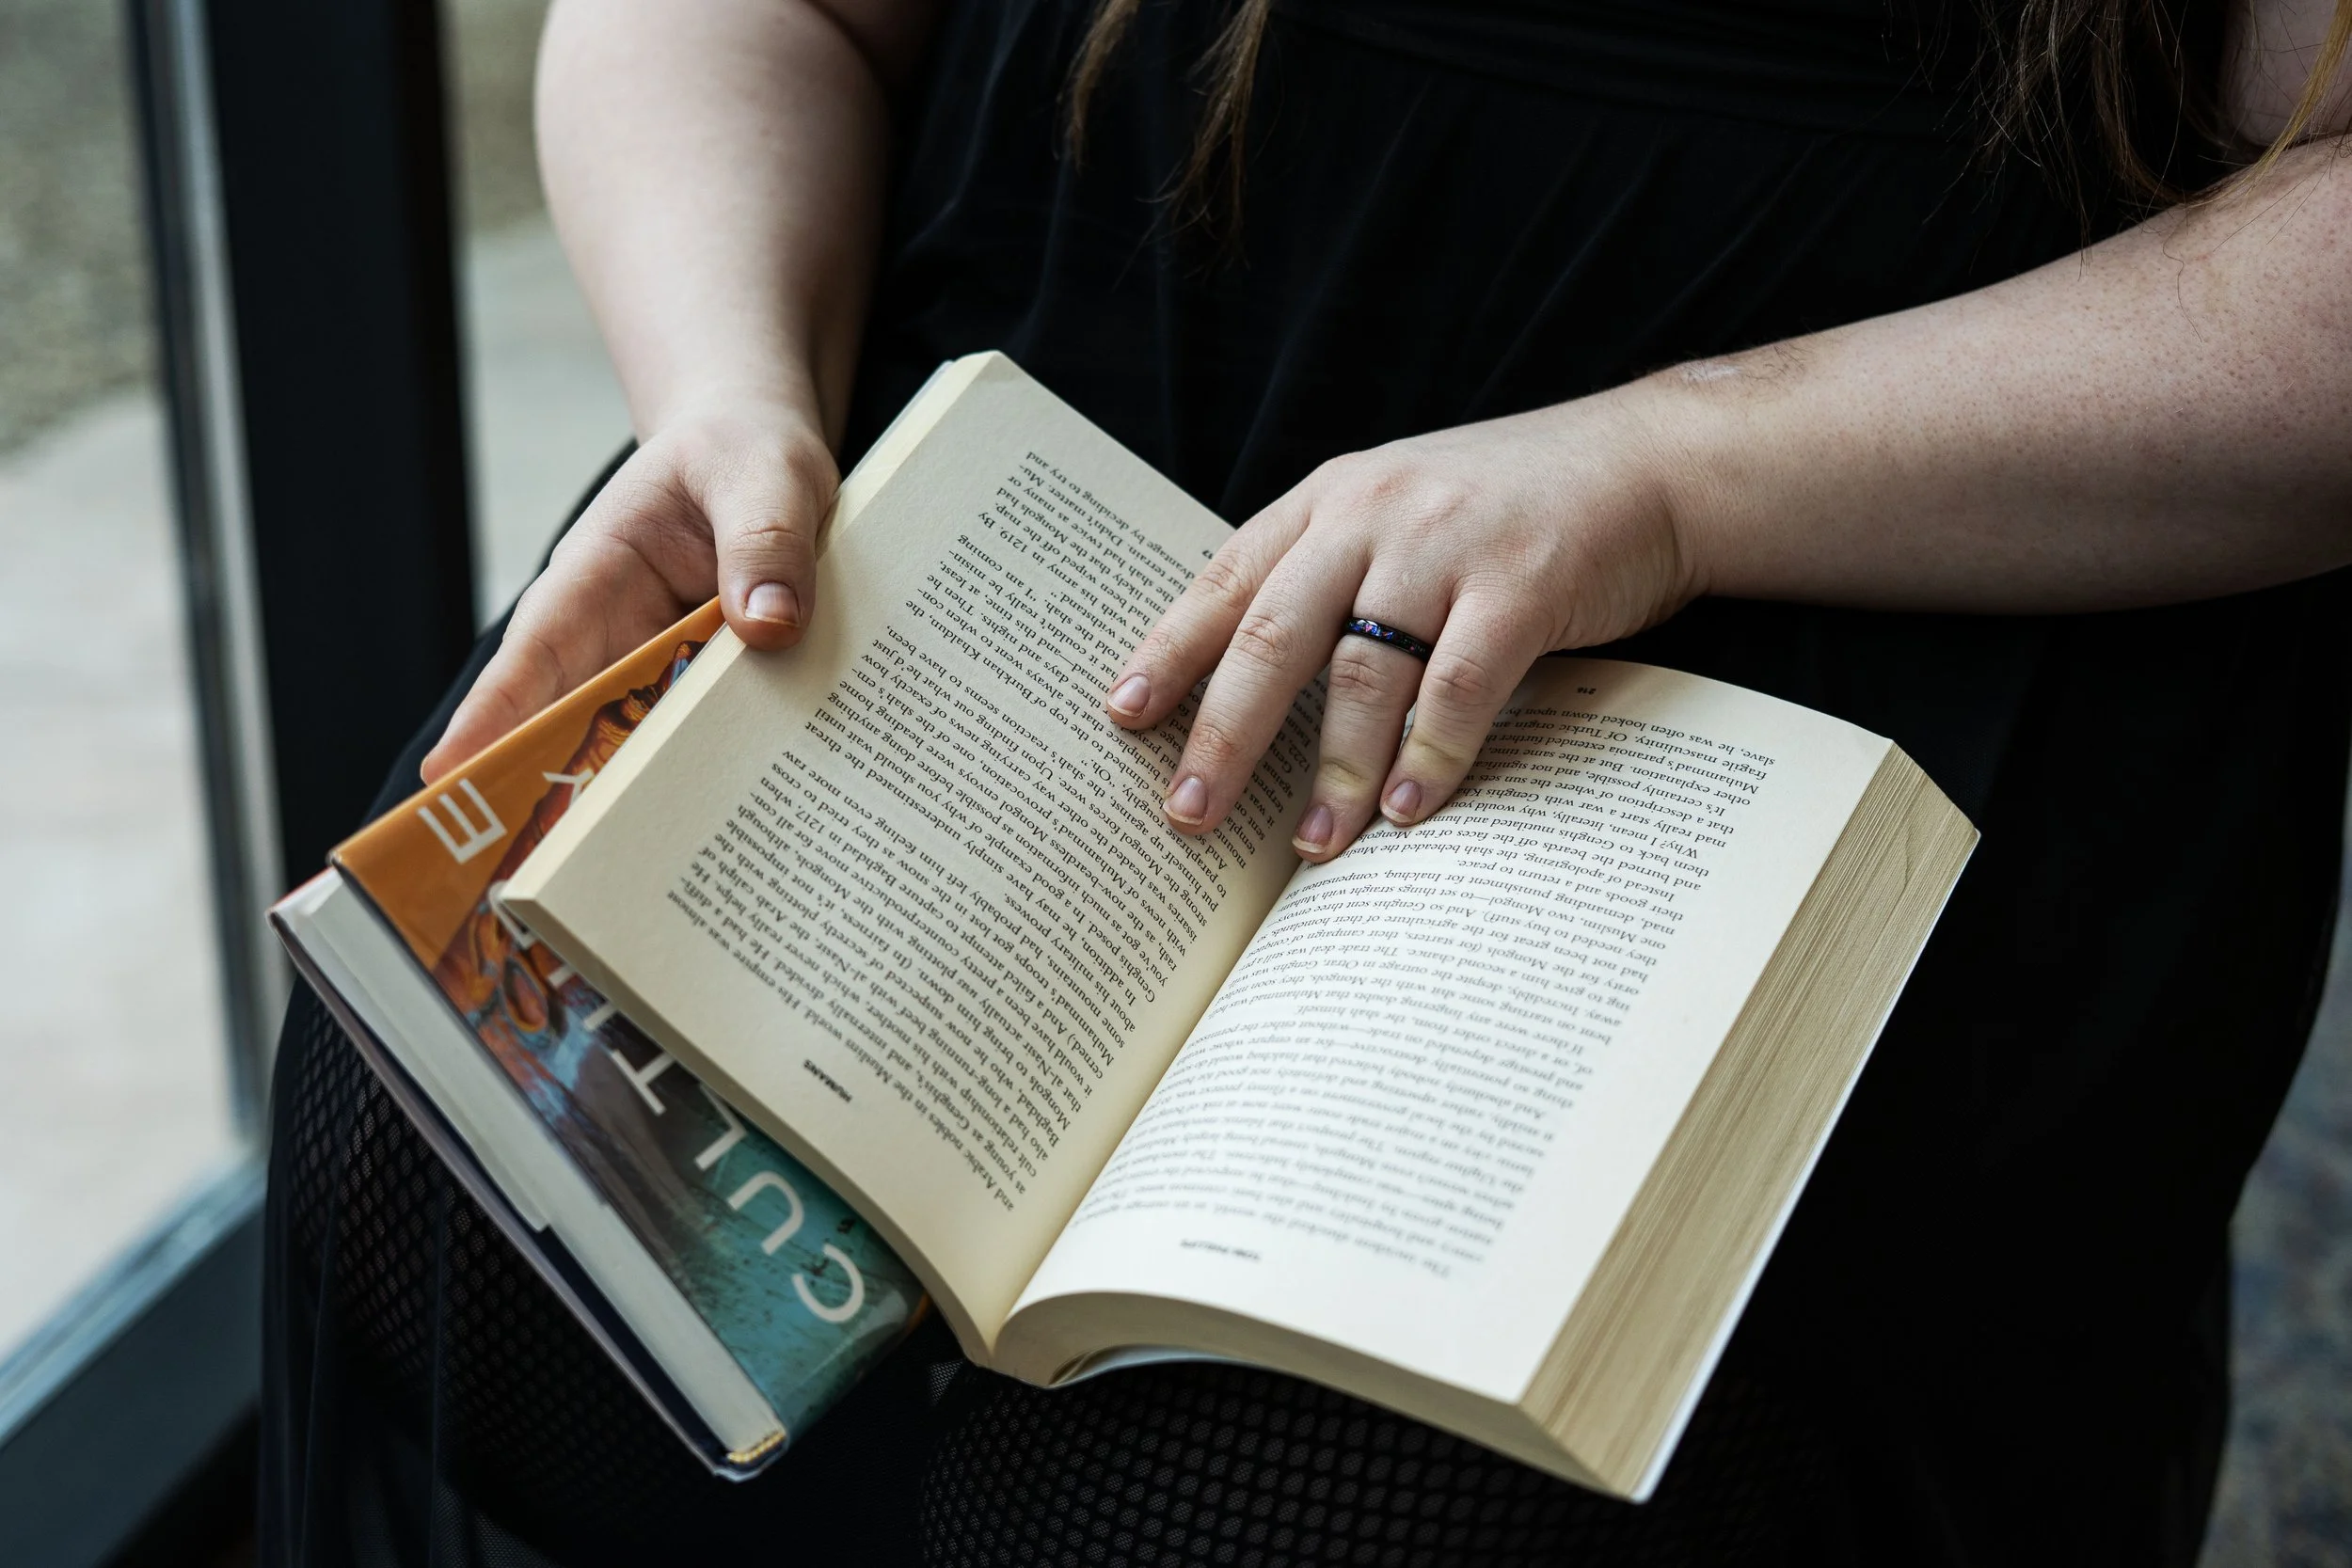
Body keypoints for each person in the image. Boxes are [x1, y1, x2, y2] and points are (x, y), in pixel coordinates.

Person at [265, 1, 2352, 1564]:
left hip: (1855, 544)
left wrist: (1669, 466)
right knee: (459, 1171)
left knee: (1302, 1497)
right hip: (1051, 494)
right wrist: (725, 380)